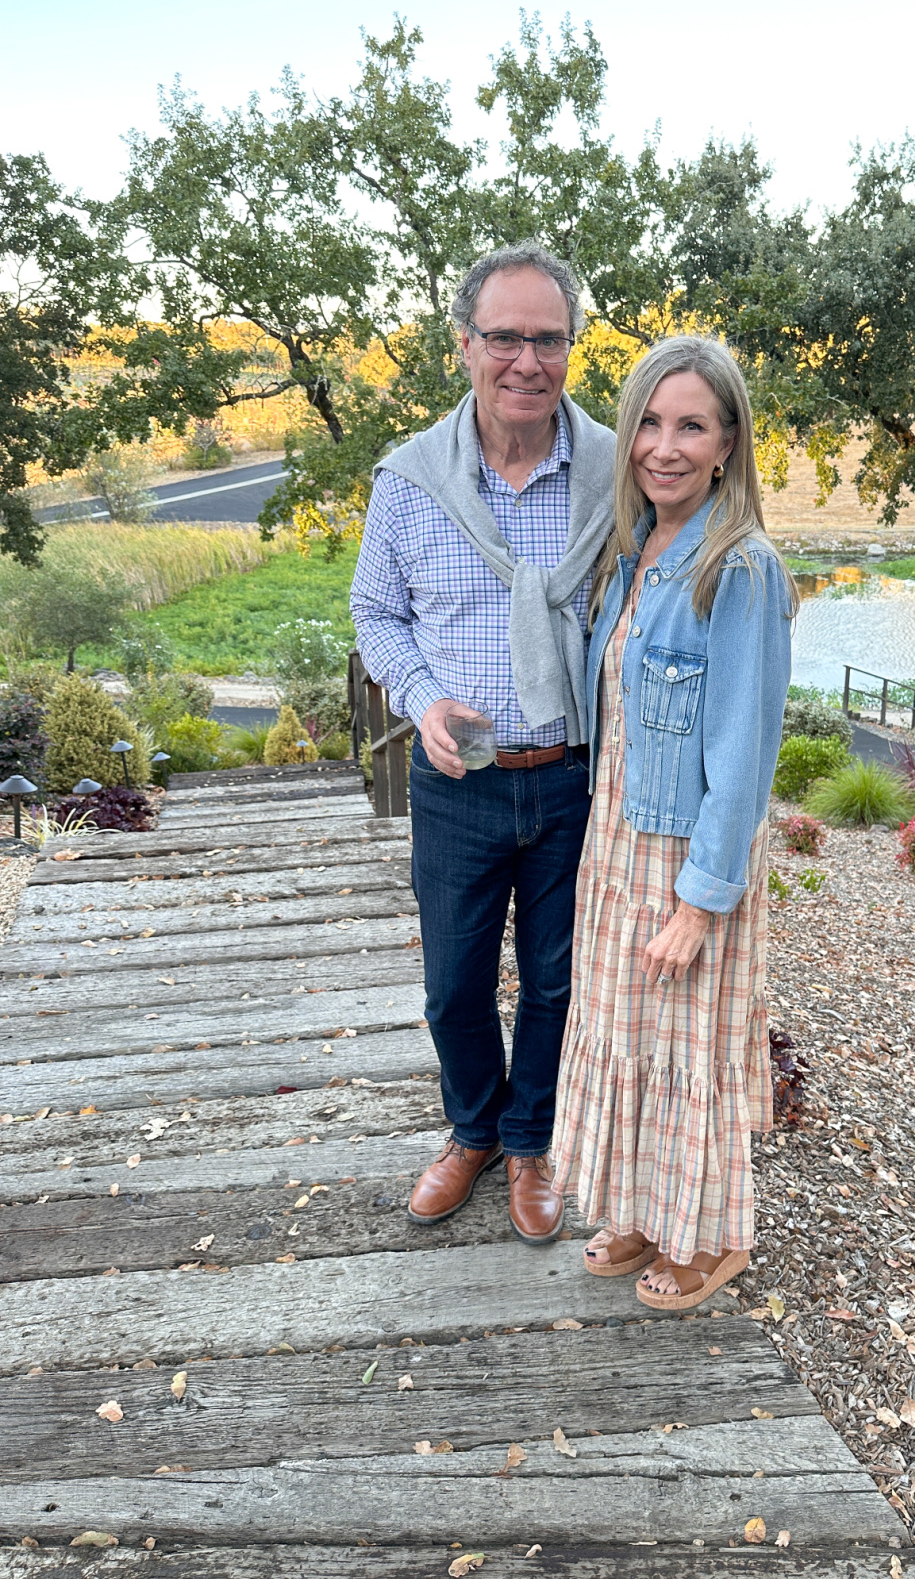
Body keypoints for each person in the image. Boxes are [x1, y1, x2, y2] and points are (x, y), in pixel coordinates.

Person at [350, 241, 616, 1246]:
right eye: (504, 337)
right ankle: (471, 1131)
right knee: (455, 978)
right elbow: (376, 612)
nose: (527, 361)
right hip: (457, 780)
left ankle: (529, 1139)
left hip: (571, 778)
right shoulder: (412, 479)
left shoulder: (609, 468)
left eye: (548, 340)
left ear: (570, 350)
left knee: (555, 980)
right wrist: (420, 698)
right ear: (465, 345)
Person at [551, 334, 798, 1310]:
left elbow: (745, 753)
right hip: (614, 836)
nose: (664, 445)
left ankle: (714, 1240)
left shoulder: (739, 568)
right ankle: (651, 1211)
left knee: (689, 1045)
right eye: (649, 422)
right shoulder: (633, 553)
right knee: (630, 1035)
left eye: (690, 424)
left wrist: (701, 902)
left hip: (687, 847)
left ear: (729, 442)